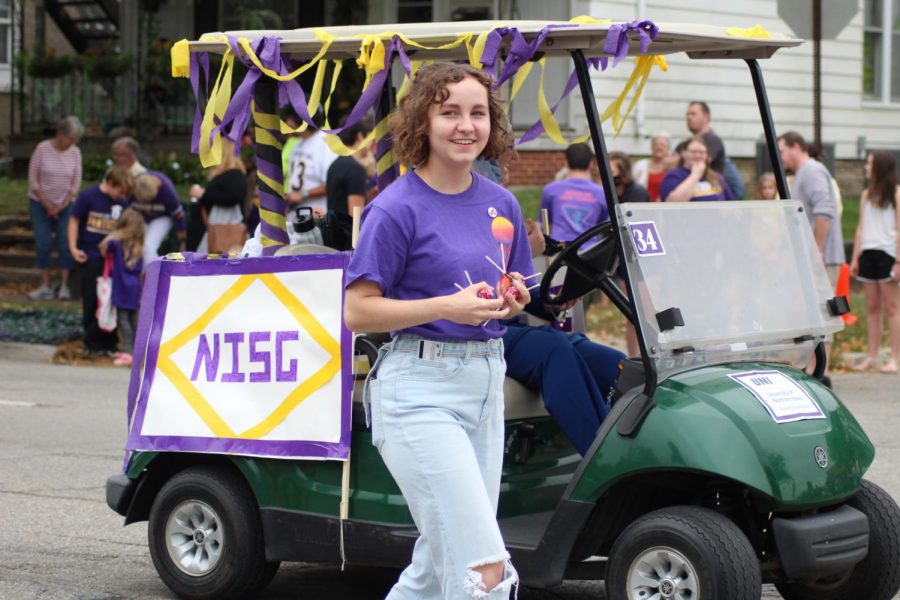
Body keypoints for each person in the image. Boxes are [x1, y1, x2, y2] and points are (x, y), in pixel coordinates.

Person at [344, 62, 530, 600]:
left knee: (435, 566)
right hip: (418, 391)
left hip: (485, 386)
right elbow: (358, 312)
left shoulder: (503, 205)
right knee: (484, 570)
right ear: (422, 123)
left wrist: (512, 302)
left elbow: (511, 292)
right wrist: (447, 305)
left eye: (477, 113)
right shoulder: (395, 209)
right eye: (449, 112)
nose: (465, 125)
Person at [778, 131, 845, 380]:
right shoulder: (802, 174)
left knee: (823, 310)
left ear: (796, 147)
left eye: (782, 150)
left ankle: (821, 373)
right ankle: (812, 370)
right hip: (810, 258)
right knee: (812, 313)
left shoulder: (811, 171)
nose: (780, 156)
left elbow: (825, 210)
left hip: (821, 257)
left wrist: (816, 250)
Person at [68, 167, 133, 357]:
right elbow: (74, 220)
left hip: (114, 260)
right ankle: (91, 342)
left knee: (112, 300)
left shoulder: (122, 203)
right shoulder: (89, 196)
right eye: (120, 191)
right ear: (111, 184)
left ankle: (110, 342)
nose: (122, 196)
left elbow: (128, 228)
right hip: (91, 256)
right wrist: (73, 247)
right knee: (92, 299)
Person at [849, 151, 900, 373]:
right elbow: (861, 227)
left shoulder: (897, 195)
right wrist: (855, 257)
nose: (866, 167)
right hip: (868, 253)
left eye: (869, 164)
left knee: (892, 307)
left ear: (879, 167)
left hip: (888, 254)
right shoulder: (866, 195)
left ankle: (895, 358)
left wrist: (898, 260)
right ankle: (872, 355)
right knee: (872, 307)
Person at [27, 115, 84, 301]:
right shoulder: (42, 149)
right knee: (43, 243)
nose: (73, 143)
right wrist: (46, 204)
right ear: (61, 134)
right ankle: (46, 285)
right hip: (39, 203)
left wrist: (62, 205)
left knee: (65, 243)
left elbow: (76, 183)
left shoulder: (75, 153)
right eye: (71, 138)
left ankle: (65, 286)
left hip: (65, 205)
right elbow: (33, 180)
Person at [99, 208, 145, 367]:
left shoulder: (117, 244)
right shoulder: (139, 247)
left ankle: (127, 352)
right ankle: (135, 351)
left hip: (122, 287)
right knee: (134, 320)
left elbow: (103, 248)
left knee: (123, 320)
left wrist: (114, 233)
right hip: (135, 287)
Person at [540, 143, 608, 241]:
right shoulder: (602, 193)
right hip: (590, 252)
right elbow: (602, 225)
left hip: (560, 251)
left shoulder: (550, 190)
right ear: (591, 164)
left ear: (566, 163)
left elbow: (545, 223)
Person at [190, 140, 248, 253]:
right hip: (216, 225)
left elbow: (233, 197)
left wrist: (204, 194)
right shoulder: (227, 174)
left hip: (226, 227)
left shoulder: (234, 174)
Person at [685, 101, 745, 199]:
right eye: (687, 114)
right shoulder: (688, 141)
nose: (689, 117)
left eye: (693, 114)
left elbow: (699, 162)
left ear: (706, 117)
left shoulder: (712, 140)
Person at [285, 115, 338, 214]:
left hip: (317, 215)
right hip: (296, 214)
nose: (287, 122)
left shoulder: (325, 141)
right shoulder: (298, 143)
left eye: (290, 117)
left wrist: (303, 194)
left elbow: (333, 183)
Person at [130, 171, 187, 264]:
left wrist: (182, 243)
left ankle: (154, 274)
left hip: (162, 217)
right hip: (139, 216)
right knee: (134, 245)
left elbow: (179, 218)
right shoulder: (133, 185)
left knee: (148, 246)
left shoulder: (168, 193)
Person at [325, 117, 374, 216]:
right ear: (360, 136)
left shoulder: (334, 165)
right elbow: (356, 217)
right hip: (348, 230)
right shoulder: (355, 169)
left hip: (334, 229)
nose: (369, 146)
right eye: (368, 140)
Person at [660, 137, 734, 202]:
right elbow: (673, 203)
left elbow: (731, 203)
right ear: (683, 153)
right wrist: (695, 175)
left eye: (702, 152)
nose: (697, 155)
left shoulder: (716, 178)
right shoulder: (674, 176)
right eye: (693, 152)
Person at [631, 132, 670, 202]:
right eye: (656, 144)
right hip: (642, 206)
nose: (659, 147)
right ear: (651, 147)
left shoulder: (672, 168)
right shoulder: (640, 165)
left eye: (662, 145)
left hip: (664, 208)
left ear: (668, 148)